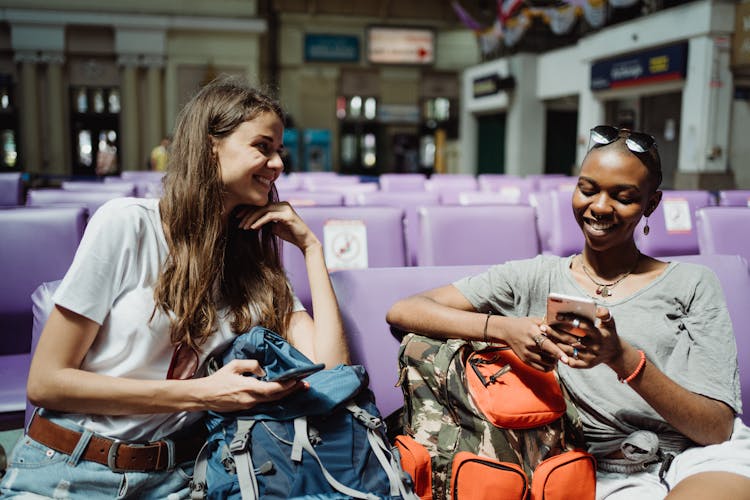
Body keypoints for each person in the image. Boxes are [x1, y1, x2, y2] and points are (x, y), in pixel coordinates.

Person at [0, 76, 349, 498]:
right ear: (209, 146)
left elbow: (333, 372)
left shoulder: (255, 268)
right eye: (262, 146)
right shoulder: (128, 224)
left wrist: (312, 249)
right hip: (73, 465)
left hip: (178, 478)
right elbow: (46, 383)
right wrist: (199, 393)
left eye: (279, 151)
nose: (278, 164)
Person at [386, 125, 750, 499]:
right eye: (588, 189)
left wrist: (622, 359)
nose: (600, 207)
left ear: (651, 204)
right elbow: (405, 310)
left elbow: (717, 429)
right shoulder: (533, 277)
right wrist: (504, 329)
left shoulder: (693, 283)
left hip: (702, 456)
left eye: (623, 197)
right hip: (604, 469)